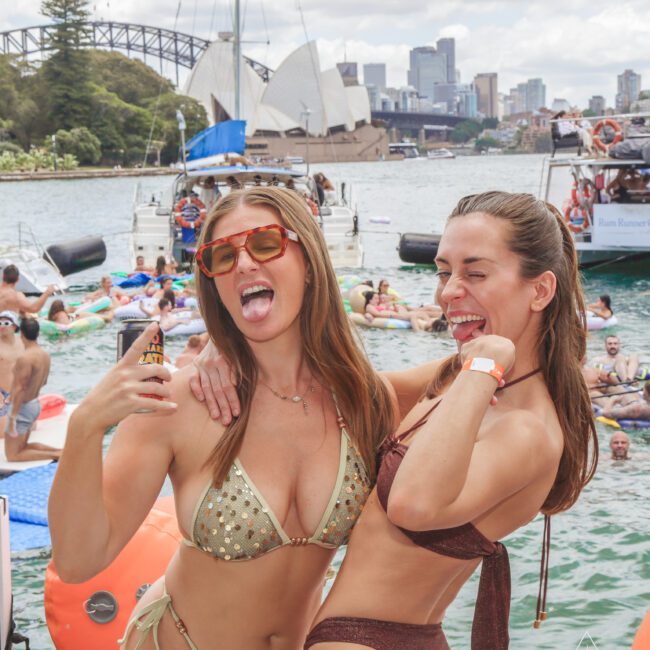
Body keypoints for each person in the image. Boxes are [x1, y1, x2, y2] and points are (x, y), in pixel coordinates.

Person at [50, 186, 448, 648]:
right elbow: (79, 561)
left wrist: (487, 361)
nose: (243, 264)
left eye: (265, 243)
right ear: (213, 281)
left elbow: (456, 376)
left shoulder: (364, 399)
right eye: (221, 256)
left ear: (309, 259)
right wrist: (86, 428)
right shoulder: (179, 403)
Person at [304, 191, 597, 649]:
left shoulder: (529, 429)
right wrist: (226, 363)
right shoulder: (454, 376)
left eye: (475, 273)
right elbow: (338, 397)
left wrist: (486, 366)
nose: (448, 291)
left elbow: (413, 504)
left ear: (540, 290)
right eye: (444, 272)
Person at [4, 318, 60, 462]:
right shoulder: (44, 355)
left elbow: (20, 388)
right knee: (23, 446)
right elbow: (44, 381)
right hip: (34, 404)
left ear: (21, 333)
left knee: (13, 455)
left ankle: (58, 455)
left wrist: (12, 417)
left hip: (21, 407)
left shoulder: (25, 358)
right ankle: (62, 451)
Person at [0, 311, 23, 438]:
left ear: (14, 326)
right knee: (3, 433)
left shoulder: (22, 343)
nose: (2, 326)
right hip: (2, 395)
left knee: (33, 427)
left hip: (18, 393)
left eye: (6, 323)